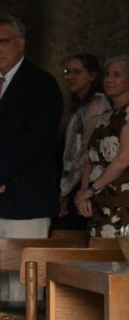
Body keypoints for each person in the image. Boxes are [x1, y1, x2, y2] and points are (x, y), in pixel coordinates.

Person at [0, 15, 63, 303]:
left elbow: (36, 138)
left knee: (23, 292)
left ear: (21, 43)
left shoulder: (42, 84)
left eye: (3, 42)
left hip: (24, 200)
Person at [75, 54, 129, 236]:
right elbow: (90, 159)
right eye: (107, 74)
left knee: (122, 260)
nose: (109, 80)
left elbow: (123, 159)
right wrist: (83, 193)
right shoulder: (104, 117)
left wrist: (91, 189)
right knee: (99, 260)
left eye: (116, 75)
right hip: (98, 202)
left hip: (123, 202)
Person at [59, 54, 109, 226]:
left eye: (77, 72)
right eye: (68, 71)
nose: (70, 77)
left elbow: (86, 151)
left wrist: (66, 190)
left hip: (85, 183)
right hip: (74, 182)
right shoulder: (82, 105)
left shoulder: (97, 105)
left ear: (92, 76)